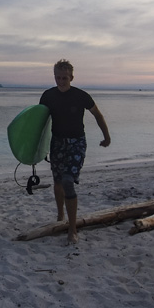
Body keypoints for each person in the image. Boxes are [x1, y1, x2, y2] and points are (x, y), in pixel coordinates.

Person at [39, 59, 111, 245]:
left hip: (77, 143)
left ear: (72, 77)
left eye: (64, 78)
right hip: (57, 143)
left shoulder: (81, 96)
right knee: (57, 182)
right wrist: (34, 148)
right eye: (57, 77)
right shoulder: (47, 96)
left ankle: (72, 229)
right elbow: (40, 123)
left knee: (68, 182)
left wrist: (106, 136)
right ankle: (60, 214)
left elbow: (98, 115)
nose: (61, 81)